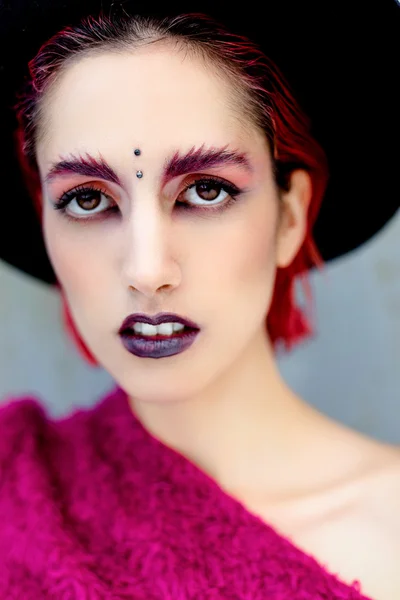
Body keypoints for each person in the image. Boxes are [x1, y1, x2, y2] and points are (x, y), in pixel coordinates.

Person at [0, 1, 399, 598]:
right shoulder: (15, 495)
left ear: (290, 217)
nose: (147, 271)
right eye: (87, 199)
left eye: (206, 190)